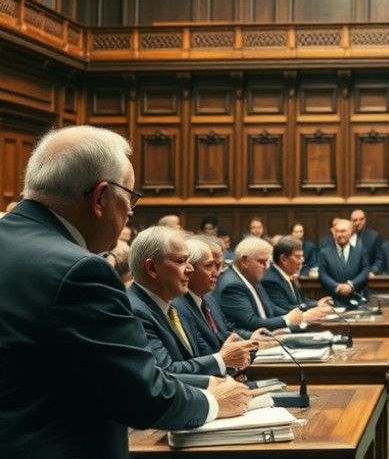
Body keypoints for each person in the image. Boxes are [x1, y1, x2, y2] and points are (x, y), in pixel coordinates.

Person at [0, 125, 249, 458]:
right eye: (130, 198)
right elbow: (142, 395)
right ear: (101, 197)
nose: (130, 212)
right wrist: (212, 401)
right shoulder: (80, 271)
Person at [127, 227, 257, 386]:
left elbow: (191, 361)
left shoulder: (171, 306)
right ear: (152, 268)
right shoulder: (135, 312)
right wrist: (221, 361)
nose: (190, 269)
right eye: (181, 261)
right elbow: (165, 374)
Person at [216, 237, 323, 331]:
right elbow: (250, 323)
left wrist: (300, 316)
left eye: (268, 262)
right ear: (244, 261)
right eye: (262, 262)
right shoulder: (232, 285)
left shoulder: (252, 279)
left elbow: (272, 309)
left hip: (271, 337)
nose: (267, 267)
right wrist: (287, 320)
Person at [262, 235, 332, 313]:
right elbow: (285, 309)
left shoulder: (288, 275)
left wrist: (318, 303)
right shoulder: (270, 280)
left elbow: (302, 300)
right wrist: (316, 307)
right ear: (283, 259)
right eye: (298, 257)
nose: (302, 260)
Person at [318, 218, 371, 308]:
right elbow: (322, 274)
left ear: (351, 232)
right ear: (333, 232)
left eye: (343, 231)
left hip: (357, 300)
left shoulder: (361, 251)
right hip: (333, 301)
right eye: (337, 231)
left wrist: (351, 285)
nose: (339, 234)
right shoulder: (324, 252)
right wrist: (337, 286)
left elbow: (365, 271)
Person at [350, 209, 385, 276]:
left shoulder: (374, 236)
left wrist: (373, 271)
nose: (358, 222)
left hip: (368, 275)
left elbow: (379, 259)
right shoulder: (347, 236)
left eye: (361, 219)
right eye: (355, 220)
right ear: (351, 221)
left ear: (365, 220)